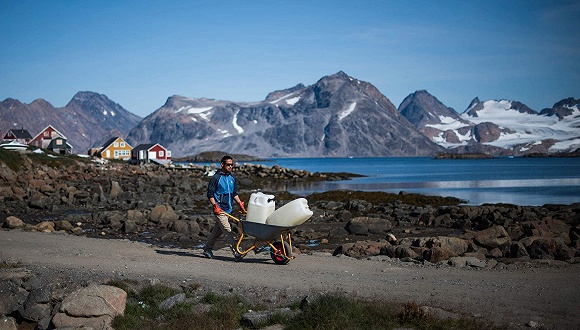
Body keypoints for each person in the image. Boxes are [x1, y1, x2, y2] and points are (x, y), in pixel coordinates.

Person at [203, 155, 246, 259]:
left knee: (216, 232)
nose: (230, 166)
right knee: (228, 230)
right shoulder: (216, 178)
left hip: (228, 209)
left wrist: (240, 204)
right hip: (219, 210)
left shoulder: (232, 178)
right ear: (222, 164)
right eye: (228, 165)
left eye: (232, 165)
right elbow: (210, 194)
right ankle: (236, 252)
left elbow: (234, 193)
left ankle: (207, 249)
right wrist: (215, 206)